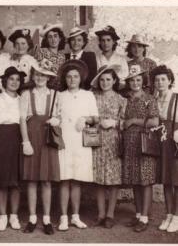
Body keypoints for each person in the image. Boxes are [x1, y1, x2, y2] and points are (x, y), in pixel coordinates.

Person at [57, 60, 99, 231]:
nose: (72, 79)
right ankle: (63, 217)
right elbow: (55, 116)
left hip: (80, 140)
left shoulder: (88, 95)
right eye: (69, 77)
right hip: (65, 140)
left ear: (80, 78)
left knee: (76, 181)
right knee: (64, 179)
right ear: (65, 79)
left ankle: (75, 216)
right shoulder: (59, 95)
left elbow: (96, 118)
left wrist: (86, 119)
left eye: (75, 76)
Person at [20, 61, 60, 235]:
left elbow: (60, 115)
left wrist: (56, 120)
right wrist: (25, 141)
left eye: (44, 75)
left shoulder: (55, 94)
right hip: (32, 138)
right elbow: (22, 119)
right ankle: (32, 218)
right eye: (37, 74)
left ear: (49, 78)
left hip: (47, 139)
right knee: (31, 180)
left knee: (46, 180)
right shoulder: (26, 94)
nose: (40, 78)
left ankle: (46, 219)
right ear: (33, 76)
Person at [0, 66, 26, 231]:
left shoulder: (22, 99)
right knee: (2, 180)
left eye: (17, 79)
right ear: (5, 81)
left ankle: (14, 216)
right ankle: (2, 216)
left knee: (15, 181)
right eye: (11, 79)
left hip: (18, 139)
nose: (14, 82)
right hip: (1, 139)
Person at [122, 64, 159, 232]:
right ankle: (138, 214)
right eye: (132, 80)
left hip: (145, 142)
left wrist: (133, 121)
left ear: (143, 80)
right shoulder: (127, 98)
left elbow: (154, 122)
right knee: (135, 180)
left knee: (145, 180)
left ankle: (144, 218)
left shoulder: (149, 98)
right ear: (128, 82)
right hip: (129, 142)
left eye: (138, 79)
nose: (135, 83)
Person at [91, 65, 126, 229]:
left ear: (114, 81)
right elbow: (87, 115)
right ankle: (100, 213)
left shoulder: (121, 99)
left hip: (113, 141)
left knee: (113, 180)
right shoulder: (93, 97)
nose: (105, 82)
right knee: (98, 179)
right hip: (96, 140)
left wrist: (115, 122)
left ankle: (110, 215)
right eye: (102, 80)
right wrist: (96, 121)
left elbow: (126, 121)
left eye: (108, 80)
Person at [152, 65, 178, 232]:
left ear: (169, 81)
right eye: (157, 79)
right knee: (166, 181)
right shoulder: (154, 100)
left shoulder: (176, 98)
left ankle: (176, 217)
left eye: (163, 79)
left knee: (177, 180)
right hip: (160, 144)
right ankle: (168, 214)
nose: (160, 82)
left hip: (174, 143)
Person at [35, 23, 66, 90]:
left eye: (55, 36)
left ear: (60, 38)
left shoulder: (62, 55)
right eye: (50, 37)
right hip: (45, 87)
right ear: (46, 40)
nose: (53, 39)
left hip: (60, 87)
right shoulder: (42, 52)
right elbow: (39, 72)